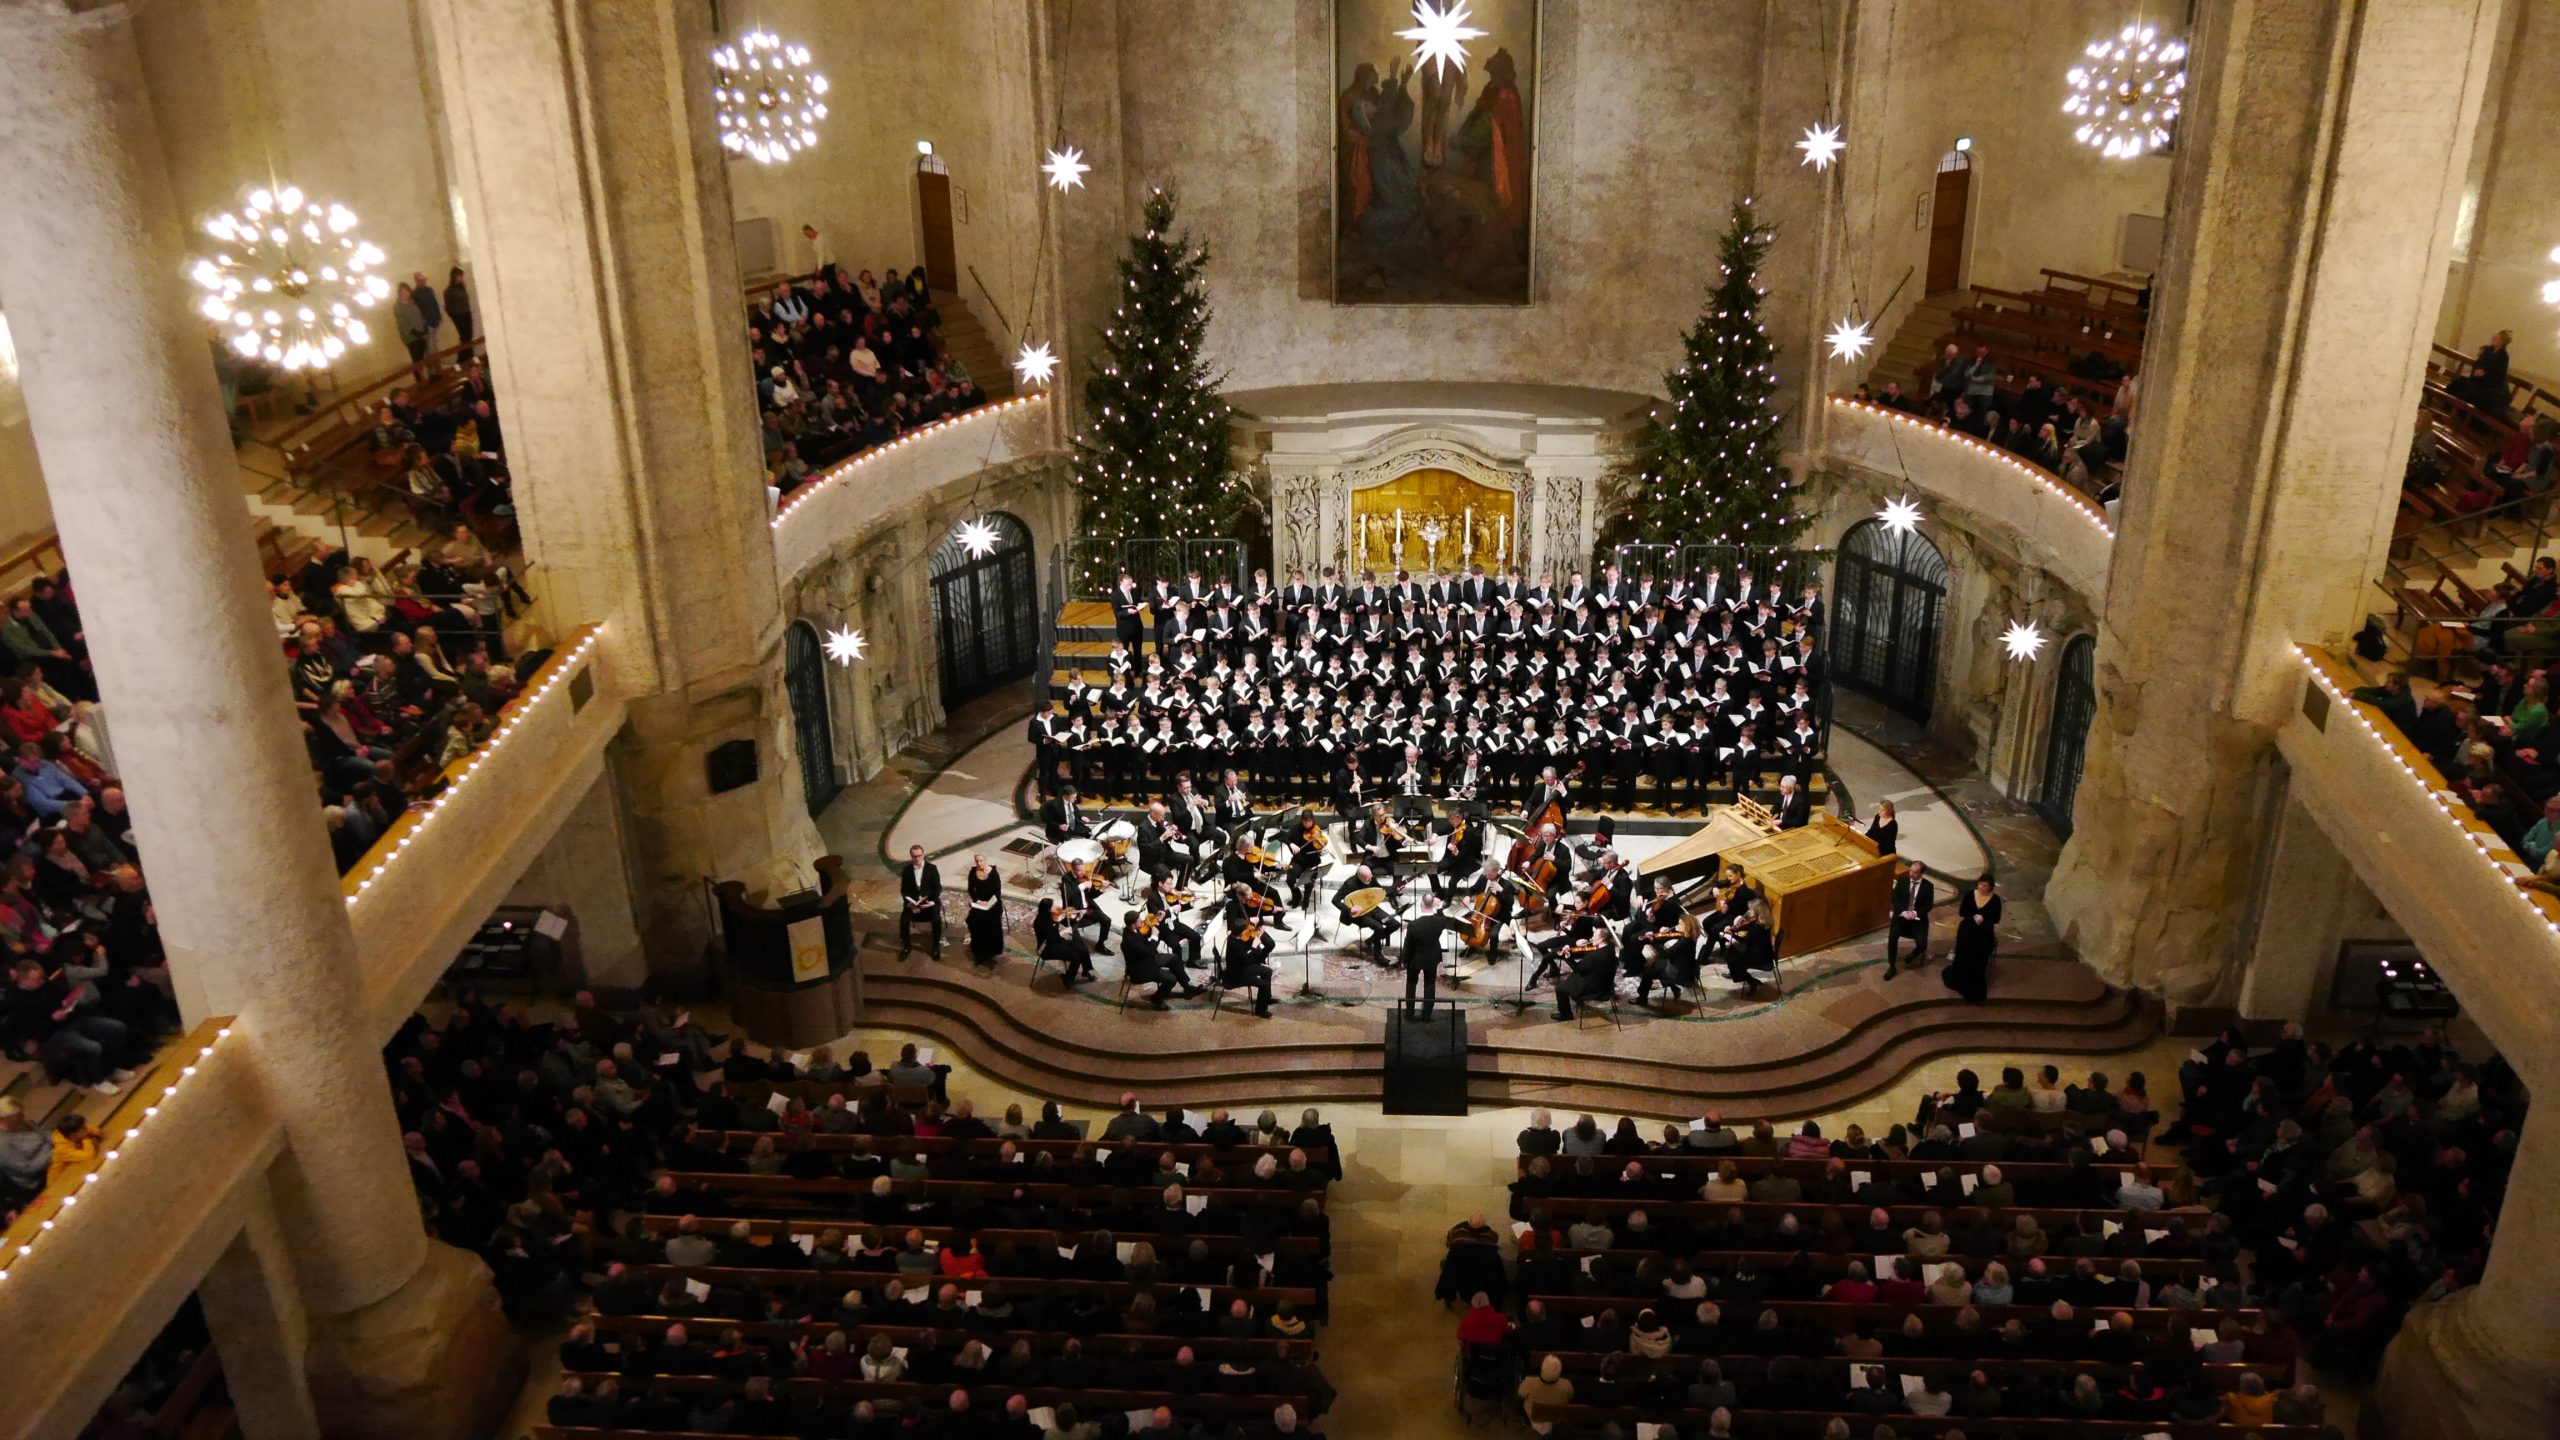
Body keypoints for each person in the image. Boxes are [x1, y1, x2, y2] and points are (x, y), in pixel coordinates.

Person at [1400, 893, 1464, 1015]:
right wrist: (1438, 908)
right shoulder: (1440, 921)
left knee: (1411, 984)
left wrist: (1405, 960)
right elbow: (1445, 919)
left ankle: (1409, 1012)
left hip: (1415, 958)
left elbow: (1408, 945)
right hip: (1432, 957)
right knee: (1430, 985)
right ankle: (1427, 1014)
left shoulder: (1413, 925)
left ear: (1421, 905)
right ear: (1432, 904)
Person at [1945, 874, 2000, 1003]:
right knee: (1965, 945)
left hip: (1984, 930)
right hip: (1968, 926)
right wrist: (1973, 916)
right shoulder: (1970, 895)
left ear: (1990, 887)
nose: (1981, 887)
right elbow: (1962, 912)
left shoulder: (1995, 900)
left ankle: (1975, 980)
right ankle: (1961, 978)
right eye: (1980, 884)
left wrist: (1984, 918)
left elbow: (1996, 919)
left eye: (1985, 885)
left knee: (1980, 949)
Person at [1885, 859, 1933, 978]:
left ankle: (1913, 955)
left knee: (1922, 944)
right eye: (1911, 870)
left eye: (1915, 872)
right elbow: (1895, 898)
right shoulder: (1902, 880)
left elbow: (1928, 905)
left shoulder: (1928, 886)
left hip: (1917, 920)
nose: (1911, 873)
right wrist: (1903, 911)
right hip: (1901, 917)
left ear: (1921, 874)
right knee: (1892, 937)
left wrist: (1915, 913)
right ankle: (1892, 966)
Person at [896, 845, 944, 956]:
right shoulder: (907, 870)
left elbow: (937, 887)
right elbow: (904, 890)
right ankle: (907, 947)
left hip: (929, 903)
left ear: (923, 855)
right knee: (903, 921)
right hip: (913, 904)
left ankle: (936, 947)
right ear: (911, 856)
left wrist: (932, 901)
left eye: (919, 856)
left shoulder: (932, 868)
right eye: (914, 856)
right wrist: (910, 904)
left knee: (936, 920)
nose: (917, 859)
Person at [963, 853, 1003, 965]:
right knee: (973, 922)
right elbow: (971, 890)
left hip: (993, 904)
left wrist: (988, 903)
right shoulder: (973, 873)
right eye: (977, 862)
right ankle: (979, 952)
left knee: (990, 924)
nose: (979, 863)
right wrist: (977, 900)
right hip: (979, 903)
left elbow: (997, 892)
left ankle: (991, 951)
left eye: (981, 861)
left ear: (986, 860)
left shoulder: (994, 873)